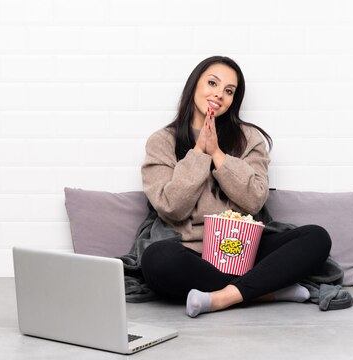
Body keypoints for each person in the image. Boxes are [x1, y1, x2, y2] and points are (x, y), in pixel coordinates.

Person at [140, 56, 331, 318]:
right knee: (156, 260)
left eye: (229, 91)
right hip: (193, 252)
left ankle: (222, 297)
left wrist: (217, 153)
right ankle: (267, 290)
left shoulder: (249, 138)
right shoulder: (162, 141)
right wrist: (199, 152)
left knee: (317, 238)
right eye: (212, 83)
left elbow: (254, 200)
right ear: (194, 84)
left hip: (246, 249)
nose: (219, 94)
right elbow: (172, 207)